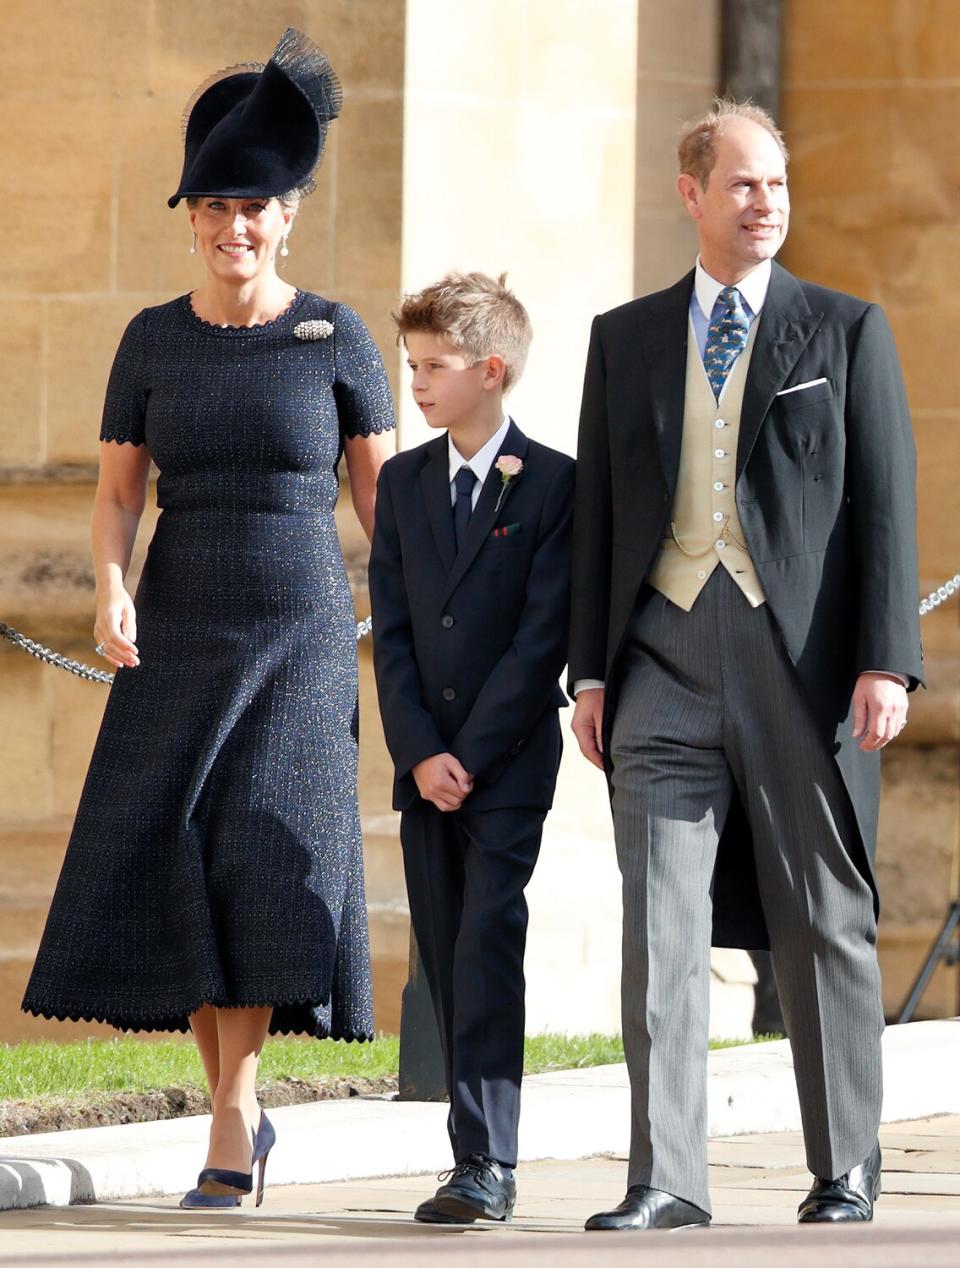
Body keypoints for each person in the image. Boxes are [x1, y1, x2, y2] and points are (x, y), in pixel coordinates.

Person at [22, 29, 395, 1209]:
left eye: (257, 205)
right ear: (190, 217)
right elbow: (119, 491)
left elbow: (387, 507)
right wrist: (112, 585)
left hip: (298, 625)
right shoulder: (150, 339)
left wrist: (432, 625)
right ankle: (233, 1095)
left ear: (291, 214)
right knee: (179, 845)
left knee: (259, 857)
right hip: (180, 618)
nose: (235, 225)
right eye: (215, 205)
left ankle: (234, 1110)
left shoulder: (339, 337)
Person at [569, 99, 923, 1231]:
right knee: (660, 927)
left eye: (775, 184)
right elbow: (600, 515)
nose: (764, 203)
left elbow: (886, 511)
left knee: (824, 915)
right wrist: (588, 671)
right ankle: (668, 1173)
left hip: (800, 662)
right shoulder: (623, 339)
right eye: (742, 184)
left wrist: (888, 663)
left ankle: (845, 1165)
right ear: (692, 194)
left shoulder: (846, 330)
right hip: (659, 657)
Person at [369, 272, 574, 1224]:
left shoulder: (555, 484)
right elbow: (397, 629)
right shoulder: (405, 481)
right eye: (411, 366)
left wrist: (472, 755)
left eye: (434, 366)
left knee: (489, 941)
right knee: (448, 957)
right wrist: (417, 752)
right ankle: (467, 1147)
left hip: (504, 770)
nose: (416, 383)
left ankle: (488, 1160)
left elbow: (543, 638)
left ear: (491, 372)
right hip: (426, 771)